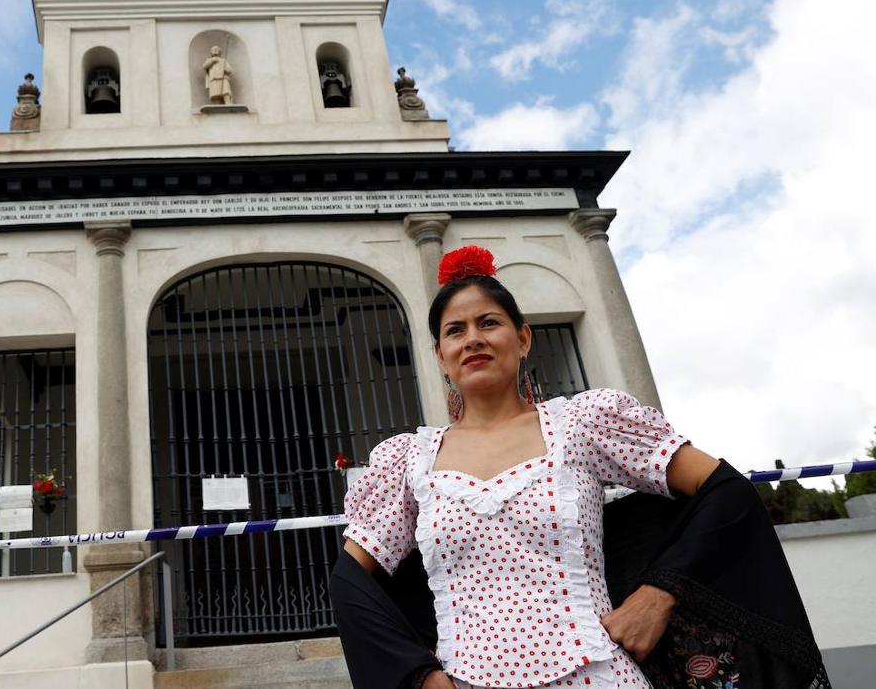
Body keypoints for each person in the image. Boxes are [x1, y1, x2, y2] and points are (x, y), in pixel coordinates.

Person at [330, 245, 831, 689]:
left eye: (489, 322)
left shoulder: (585, 424)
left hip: (598, 673)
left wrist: (659, 594)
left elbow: (723, 489)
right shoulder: (406, 461)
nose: (472, 339)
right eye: (454, 331)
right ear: (440, 355)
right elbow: (352, 578)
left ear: (523, 339)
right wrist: (418, 676)